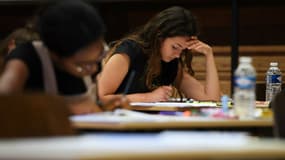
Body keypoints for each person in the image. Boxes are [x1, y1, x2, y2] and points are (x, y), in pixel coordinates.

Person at [0, 0, 128, 114]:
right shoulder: (28, 57)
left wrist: (103, 107)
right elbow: (4, 102)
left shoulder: (93, 59)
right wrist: (66, 108)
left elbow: (89, 106)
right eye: (82, 65)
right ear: (54, 56)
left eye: (99, 57)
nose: (94, 69)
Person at [98, 6, 221, 103]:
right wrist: (147, 97)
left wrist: (209, 56)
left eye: (182, 50)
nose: (178, 55)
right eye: (175, 47)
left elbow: (211, 100)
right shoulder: (129, 52)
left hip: (149, 127)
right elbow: (99, 98)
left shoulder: (171, 62)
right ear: (159, 36)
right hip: (118, 126)